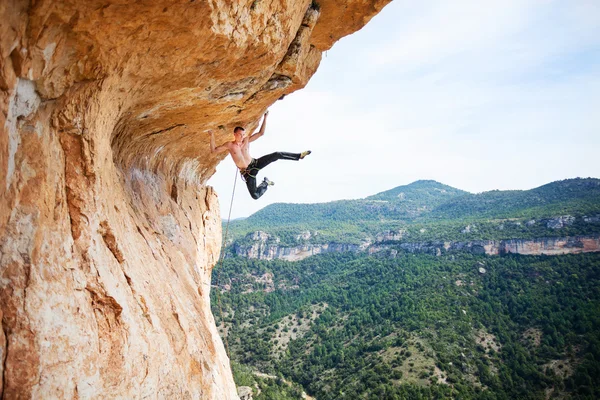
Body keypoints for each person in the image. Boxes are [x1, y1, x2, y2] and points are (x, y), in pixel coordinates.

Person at [210, 111, 311, 199]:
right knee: (255, 195)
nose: (242, 136)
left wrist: (265, 118)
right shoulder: (230, 145)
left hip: (255, 163)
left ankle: (299, 156)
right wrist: (212, 136)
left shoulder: (246, 140)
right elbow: (214, 150)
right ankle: (265, 183)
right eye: (240, 134)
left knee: (276, 155)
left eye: (243, 134)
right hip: (248, 172)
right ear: (235, 134)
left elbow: (261, 133)